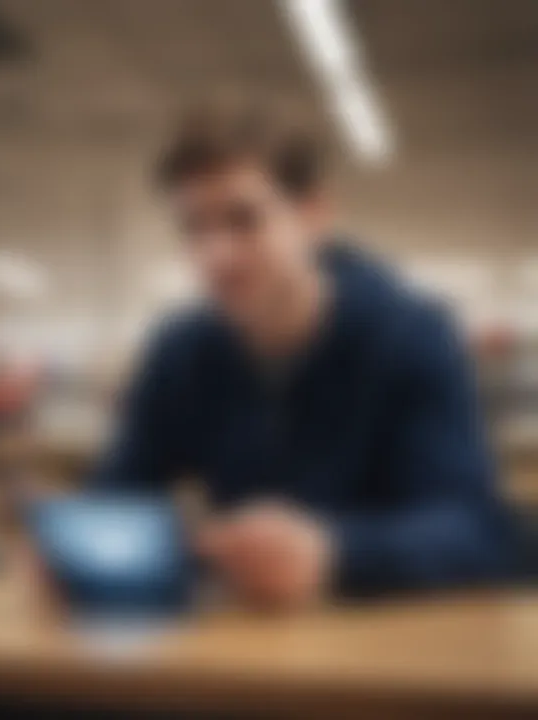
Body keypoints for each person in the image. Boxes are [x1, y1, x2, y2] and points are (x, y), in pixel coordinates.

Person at [93, 109, 513, 607]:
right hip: (248, 642)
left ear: (315, 215)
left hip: (388, 637)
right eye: (193, 227)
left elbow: (473, 531)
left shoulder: (412, 334)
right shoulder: (181, 350)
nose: (214, 254)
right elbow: (117, 496)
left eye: (243, 220)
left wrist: (336, 552)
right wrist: (77, 546)